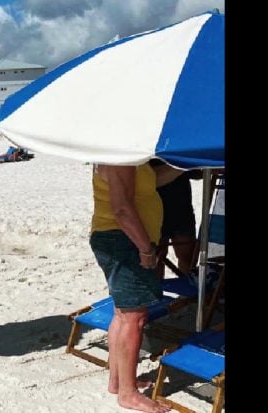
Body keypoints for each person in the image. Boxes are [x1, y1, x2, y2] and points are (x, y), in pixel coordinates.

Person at [89, 163, 171, 413]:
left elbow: (150, 181)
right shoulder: (119, 155)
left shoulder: (128, 155)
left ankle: (118, 382)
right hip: (123, 239)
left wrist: (184, 166)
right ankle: (128, 394)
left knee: (123, 314)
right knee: (134, 317)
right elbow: (122, 209)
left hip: (119, 238)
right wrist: (146, 248)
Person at [149, 160, 199, 278]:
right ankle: (158, 294)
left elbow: (198, 173)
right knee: (156, 258)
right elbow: (151, 179)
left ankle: (187, 294)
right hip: (153, 207)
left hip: (181, 206)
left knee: (188, 257)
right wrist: (183, 165)